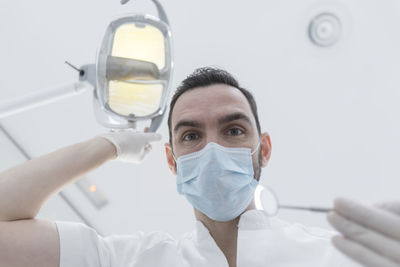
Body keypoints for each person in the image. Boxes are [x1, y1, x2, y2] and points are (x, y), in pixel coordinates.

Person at [0, 67, 397, 267]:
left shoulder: (335, 257)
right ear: (172, 161)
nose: (213, 150)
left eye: (234, 130)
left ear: (265, 149)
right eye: (190, 136)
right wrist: (107, 146)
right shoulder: (134, 259)